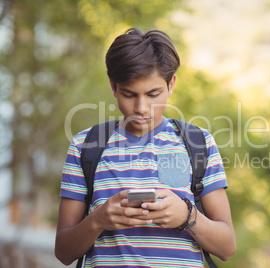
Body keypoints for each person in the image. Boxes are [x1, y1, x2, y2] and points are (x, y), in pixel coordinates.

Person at [55, 28, 236, 267]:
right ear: (113, 86)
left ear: (171, 84)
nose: (141, 107)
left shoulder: (197, 143)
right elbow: (63, 252)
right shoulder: (85, 146)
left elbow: (227, 248)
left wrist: (187, 216)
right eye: (129, 94)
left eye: (153, 94)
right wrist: (98, 220)